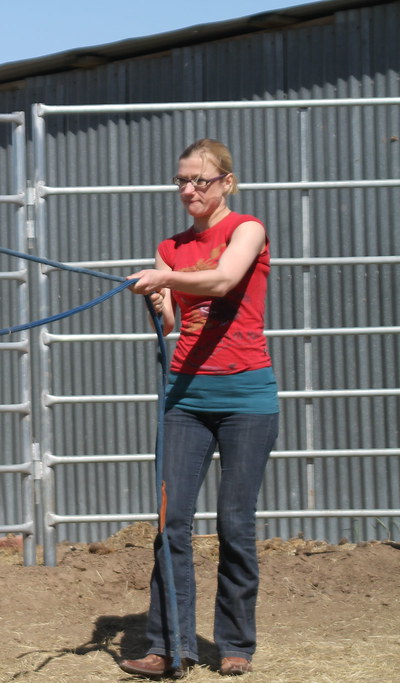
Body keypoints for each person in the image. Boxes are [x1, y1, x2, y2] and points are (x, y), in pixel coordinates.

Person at [119, 138, 279, 679]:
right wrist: (158, 302)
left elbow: (224, 279)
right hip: (186, 398)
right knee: (172, 524)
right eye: (182, 181)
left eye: (200, 181)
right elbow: (173, 326)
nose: (189, 189)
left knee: (235, 523)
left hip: (247, 397)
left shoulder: (247, 229)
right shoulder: (170, 247)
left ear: (226, 183)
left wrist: (167, 279)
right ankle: (170, 646)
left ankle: (235, 643)